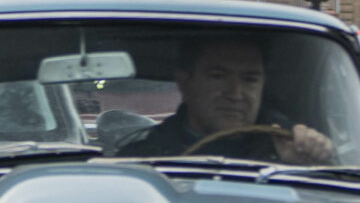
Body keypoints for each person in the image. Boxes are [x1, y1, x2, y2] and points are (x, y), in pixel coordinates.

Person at [112, 35, 334, 164]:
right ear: (185, 83)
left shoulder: (295, 150)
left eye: (250, 80)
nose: (236, 94)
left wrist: (302, 167)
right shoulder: (140, 160)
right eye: (218, 77)